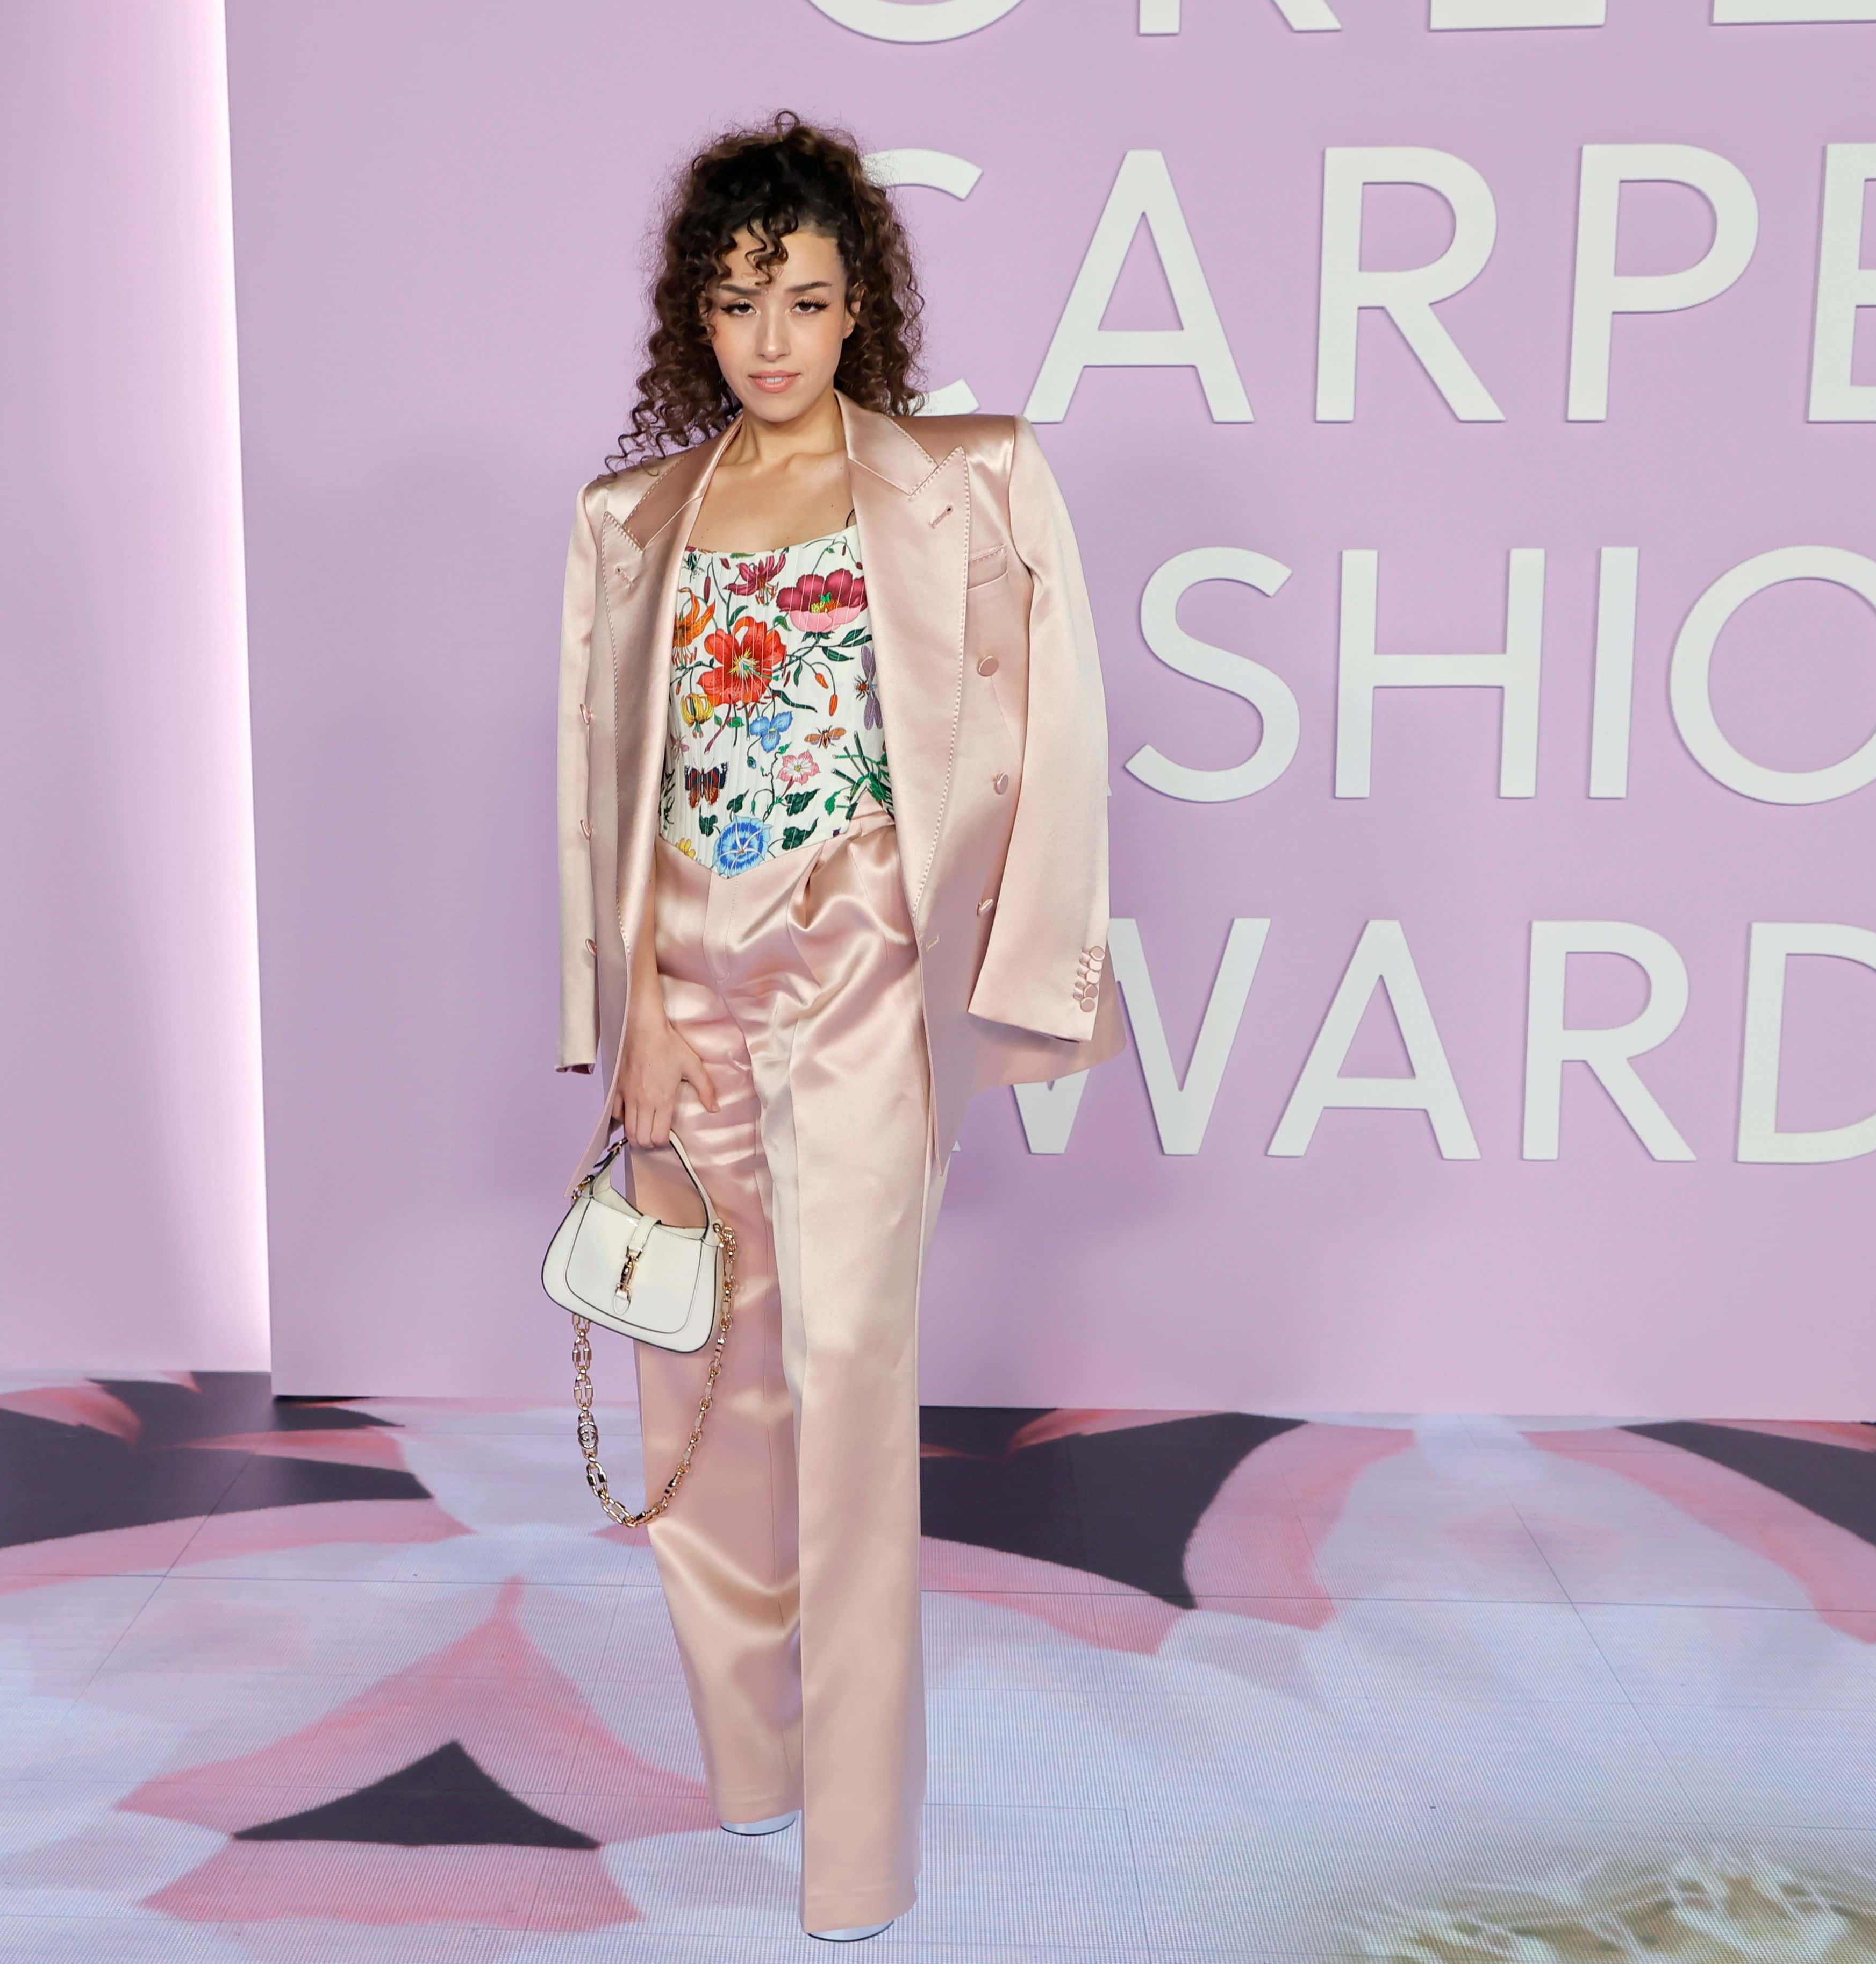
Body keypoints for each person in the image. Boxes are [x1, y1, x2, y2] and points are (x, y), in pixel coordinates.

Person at [552, 111, 1126, 1942]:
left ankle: (857, 1858)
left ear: (863, 298)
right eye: (738, 304)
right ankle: (753, 1769)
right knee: (699, 1401)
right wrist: (625, 1000)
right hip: (688, 999)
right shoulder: (635, 522)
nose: (775, 338)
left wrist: (1007, 980)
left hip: (861, 978)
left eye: (806, 297)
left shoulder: (966, 481)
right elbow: (602, 792)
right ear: (695, 320)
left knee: (856, 1391)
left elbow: (1056, 735)